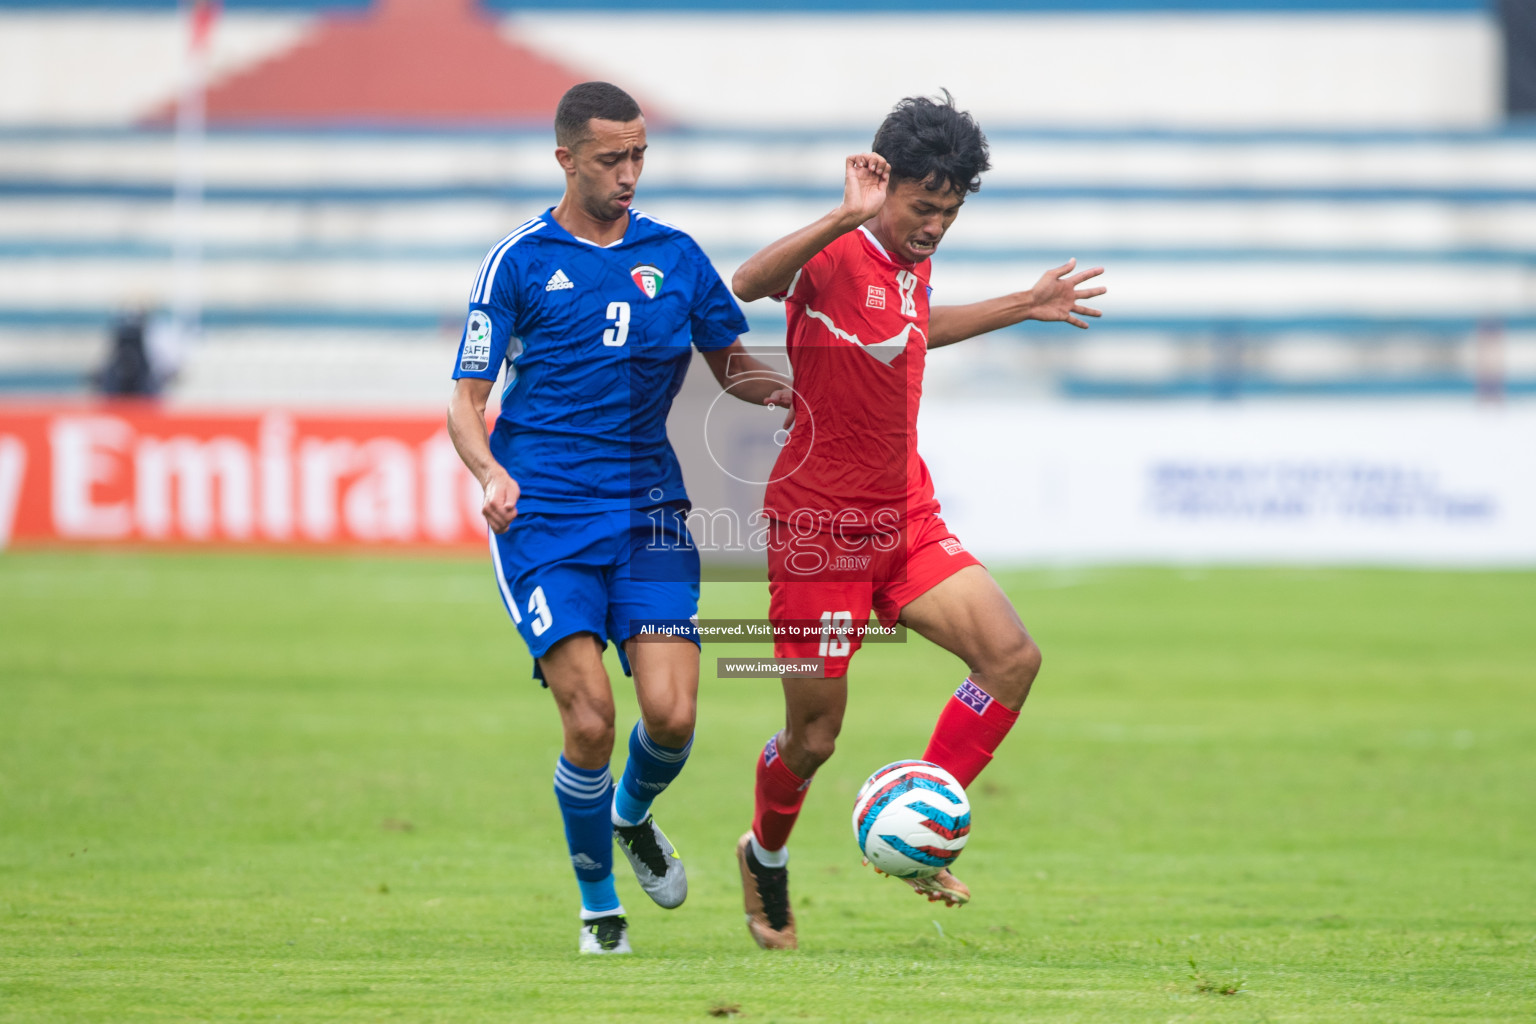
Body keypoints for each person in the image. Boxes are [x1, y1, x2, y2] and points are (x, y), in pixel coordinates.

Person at [728, 91, 1107, 950]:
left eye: (950, 210)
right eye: (921, 207)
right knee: (814, 737)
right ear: (884, 186)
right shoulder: (838, 250)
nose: (934, 226)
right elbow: (746, 286)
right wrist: (844, 213)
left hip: (904, 513)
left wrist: (1023, 303)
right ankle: (766, 851)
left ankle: (914, 821)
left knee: (1010, 659)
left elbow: (910, 328)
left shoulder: (910, 258)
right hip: (819, 532)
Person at [446, 81, 788, 955]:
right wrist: (489, 472)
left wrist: (797, 393)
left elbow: (733, 368)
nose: (630, 173)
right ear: (565, 159)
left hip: (650, 510)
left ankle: (631, 815)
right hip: (545, 514)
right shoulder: (518, 262)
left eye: (639, 155)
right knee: (591, 719)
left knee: (672, 718)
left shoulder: (675, 256)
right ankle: (601, 909)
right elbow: (464, 400)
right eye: (611, 159)